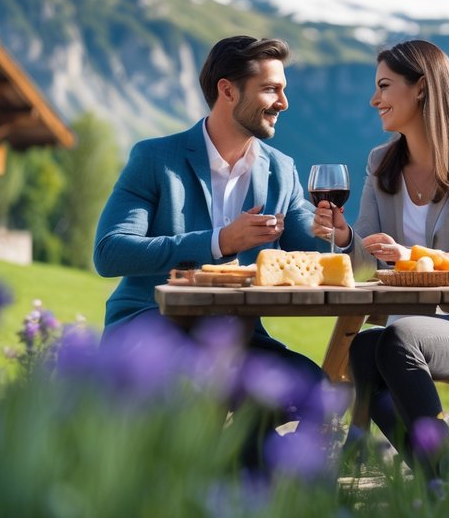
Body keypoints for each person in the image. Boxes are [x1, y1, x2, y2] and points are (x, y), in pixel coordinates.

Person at [94, 35, 333, 466]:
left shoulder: (281, 170)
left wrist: (339, 234)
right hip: (155, 327)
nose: (283, 102)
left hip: (237, 339)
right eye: (271, 89)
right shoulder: (155, 159)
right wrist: (221, 241)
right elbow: (111, 252)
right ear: (228, 90)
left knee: (315, 389)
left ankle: (239, 478)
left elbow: (312, 254)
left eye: (283, 89)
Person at [311, 39, 449, 481]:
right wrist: (345, 236)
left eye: (385, 86)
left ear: (422, 88)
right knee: (367, 348)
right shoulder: (380, 164)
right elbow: (369, 262)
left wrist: (413, 257)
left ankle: (445, 485)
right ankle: (447, 481)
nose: (375, 100)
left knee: (392, 339)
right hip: (405, 329)